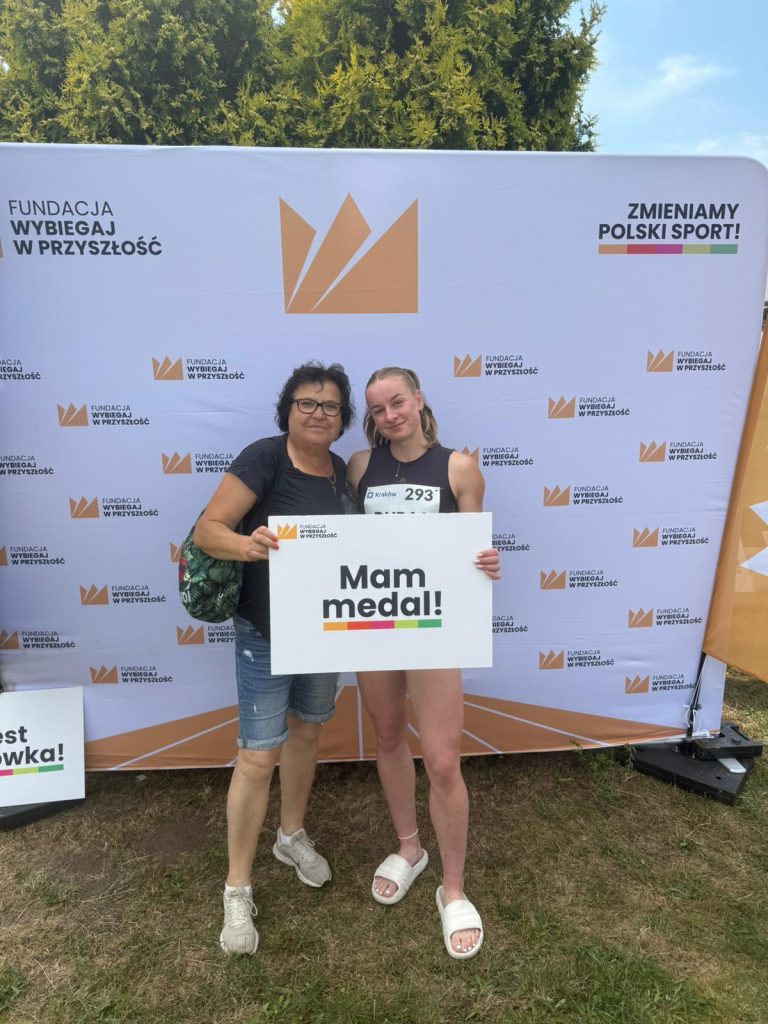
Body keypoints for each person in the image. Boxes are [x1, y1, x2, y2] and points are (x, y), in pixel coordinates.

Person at [194, 361, 355, 955]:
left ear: (343, 419)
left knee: (307, 732)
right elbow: (207, 529)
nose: (318, 413)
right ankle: (237, 887)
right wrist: (249, 545)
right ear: (288, 410)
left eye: (330, 406)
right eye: (306, 403)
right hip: (265, 632)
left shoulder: (341, 471)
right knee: (258, 756)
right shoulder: (265, 457)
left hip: (323, 630)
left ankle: (290, 837)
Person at [346, 366, 500, 961]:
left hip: (433, 625)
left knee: (440, 760)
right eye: (377, 408)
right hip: (373, 622)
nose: (389, 415)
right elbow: (340, 543)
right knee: (388, 737)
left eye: (397, 402)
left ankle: (452, 889)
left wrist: (486, 562)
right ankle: (410, 848)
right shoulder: (359, 467)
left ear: (418, 400)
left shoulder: (459, 467)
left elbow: (471, 547)